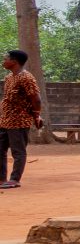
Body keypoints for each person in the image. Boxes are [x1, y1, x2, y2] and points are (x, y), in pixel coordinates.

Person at [0, 49, 38, 188]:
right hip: (5, 120)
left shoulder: (26, 78)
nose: (4, 61)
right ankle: (2, 179)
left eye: (6, 59)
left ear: (14, 61)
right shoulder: (9, 77)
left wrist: (37, 116)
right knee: (0, 149)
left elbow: (36, 99)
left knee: (18, 151)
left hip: (19, 120)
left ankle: (15, 179)